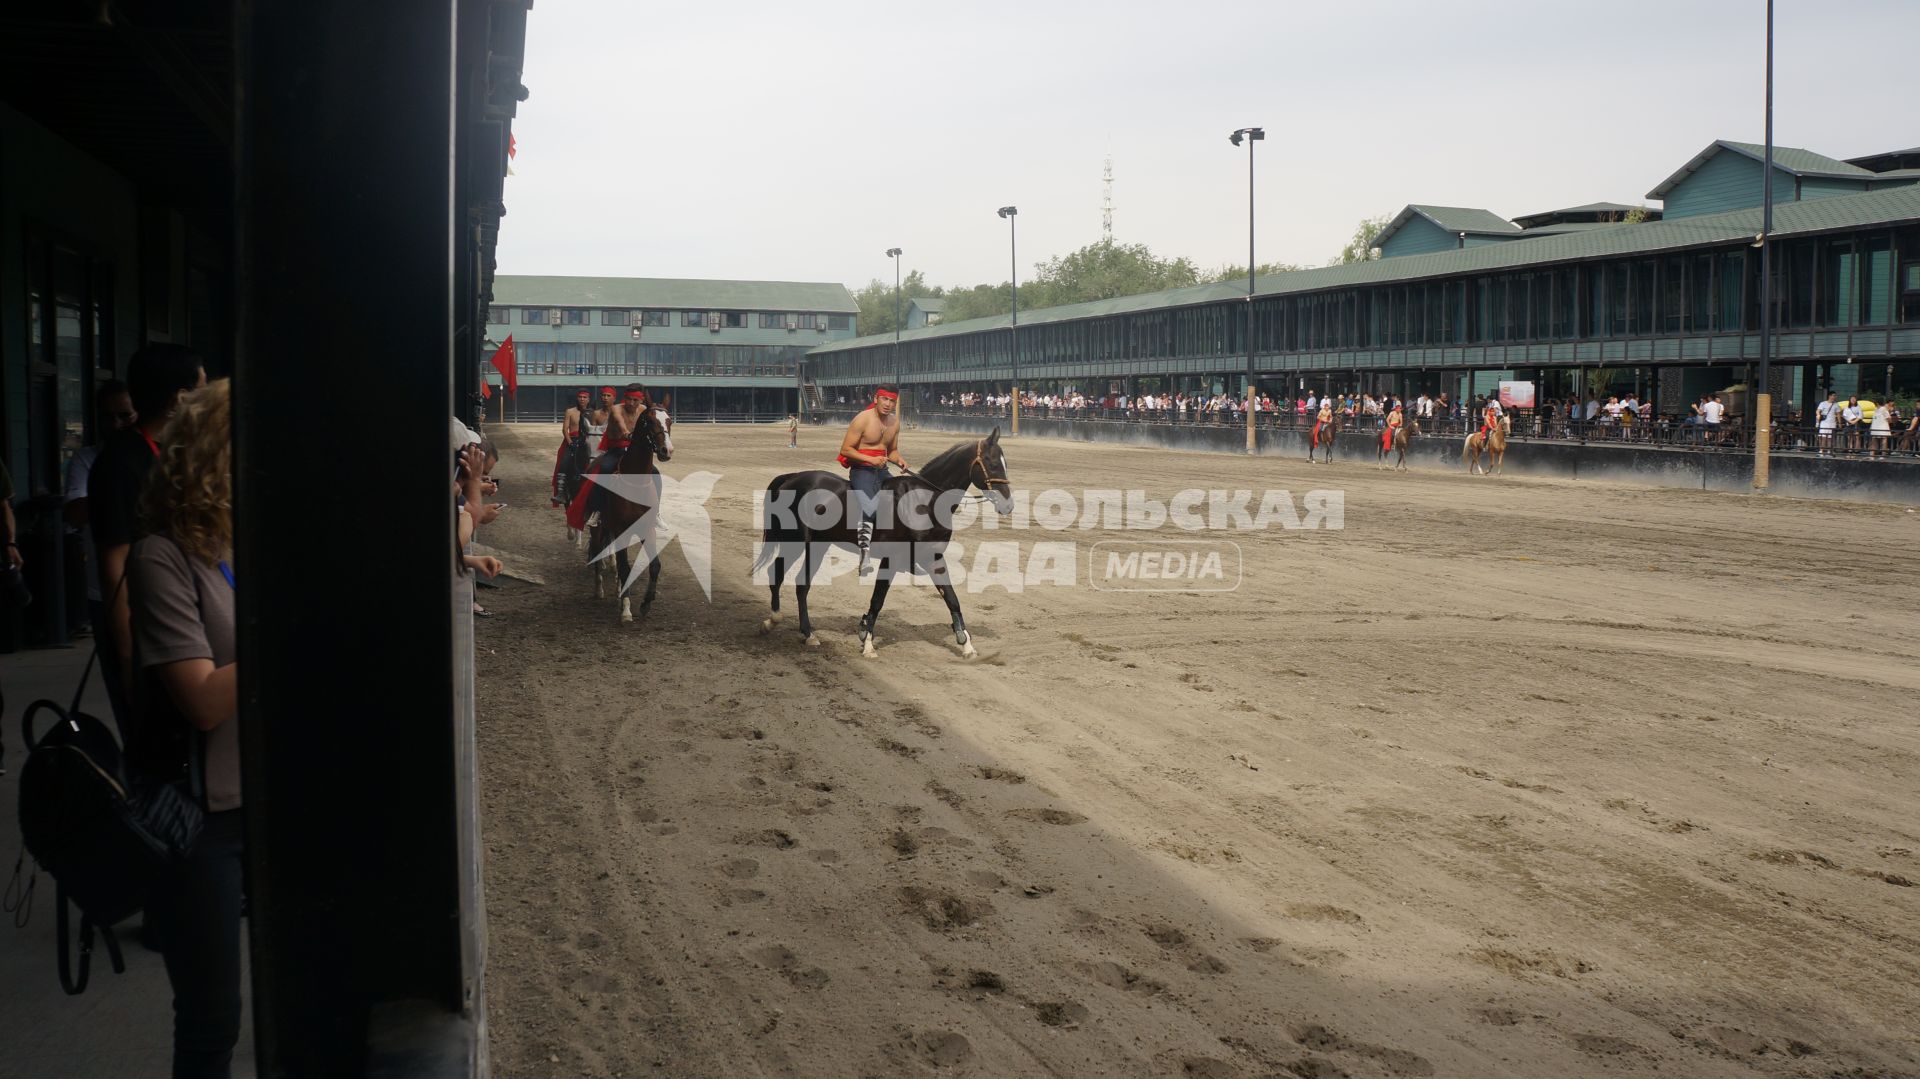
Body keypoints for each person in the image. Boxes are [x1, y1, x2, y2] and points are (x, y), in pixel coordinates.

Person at [127, 378, 241, 1078]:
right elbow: (201, 699)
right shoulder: (160, 556)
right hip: (200, 820)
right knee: (211, 1019)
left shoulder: (244, 535)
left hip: (268, 799)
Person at [91, 343, 207, 737]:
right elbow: (115, 564)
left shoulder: (179, 455)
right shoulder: (120, 463)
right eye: (202, 388)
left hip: (182, 613)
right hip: (145, 629)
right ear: (181, 398)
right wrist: (128, 660)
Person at [64, 380, 138, 635]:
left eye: (125, 415)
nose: (116, 424)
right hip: (102, 587)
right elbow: (75, 513)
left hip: (153, 584)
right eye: (108, 417)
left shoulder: (158, 456)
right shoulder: (87, 459)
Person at [837, 387, 906, 570]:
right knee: (871, 507)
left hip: (882, 470)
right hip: (861, 470)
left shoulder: (894, 422)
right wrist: (871, 459)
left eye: (892, 401)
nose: (888, 404)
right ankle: (864, 554)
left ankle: (899, 551)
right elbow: (846, 450)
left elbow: (891, 450)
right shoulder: (862, 419)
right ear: (876, 399)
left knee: (901, 503)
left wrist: (898, 460)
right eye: (884, 399)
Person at [551, 389, 592, 507]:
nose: (582, 399)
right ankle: (561, 493)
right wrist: (570, 443)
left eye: (585, 397)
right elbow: (565, 429)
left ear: (588, 399)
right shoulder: (570, 411)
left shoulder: (592, 413)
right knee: (563, 463)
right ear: (577, 398)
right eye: (580, 397)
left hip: (587, 442)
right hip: (572, 441)